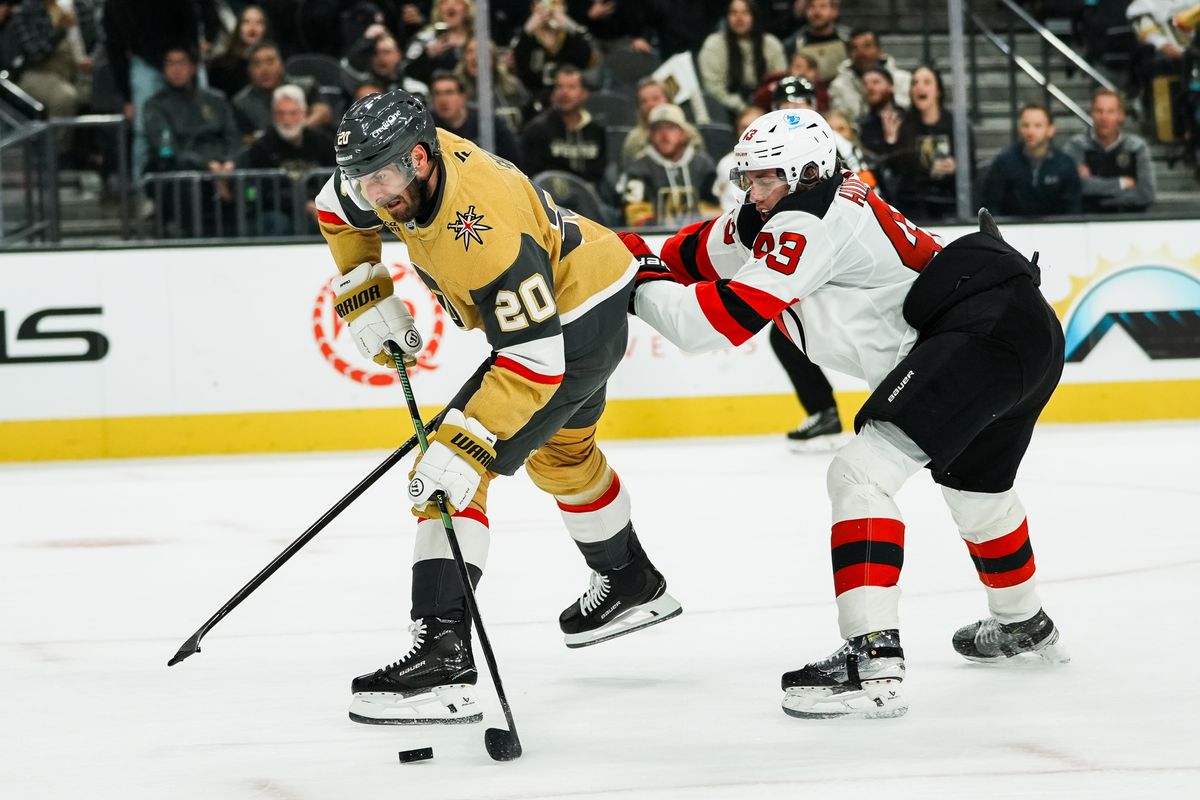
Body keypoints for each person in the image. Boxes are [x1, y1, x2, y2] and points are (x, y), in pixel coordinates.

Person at [624, 108, 1067, 720]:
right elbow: (692, 251)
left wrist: (635, 283)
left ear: (808, 172)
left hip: (978, 337)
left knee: (859, 475)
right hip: (1022, 329)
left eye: (766, 178)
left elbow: (711, 326)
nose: (753, 193)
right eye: (748, 178)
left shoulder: (808, 219)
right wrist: (632, 255)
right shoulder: (787, 206)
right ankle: (1023, 621)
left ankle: (871, 656)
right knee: (976, 488)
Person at [312, 88, 682, 724]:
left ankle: (443, 657)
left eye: (385, 179)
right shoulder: (387, 175)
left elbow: (535, 362)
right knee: (563, 457)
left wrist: (464, 444)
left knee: (450, 475)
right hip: (592, 282)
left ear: (421, 158)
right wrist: (366, 290)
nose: (375, 195)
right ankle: (630, 581)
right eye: (363, 181)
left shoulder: (483, 231)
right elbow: (333, 207)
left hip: (572, 327)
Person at [237, 84, 337, 235]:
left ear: (304, 114)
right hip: (275, 210)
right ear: (273, 116)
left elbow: (333, 180)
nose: (287, 120)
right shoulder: (262, 146)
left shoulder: (322, 142)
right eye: (281, 114)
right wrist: (303, 203)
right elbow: (265, 192)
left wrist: (317, 203)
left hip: (317, 206)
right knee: (279, 222)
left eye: (293, 113)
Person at [618, 103, 719, 227]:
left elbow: (716, 208)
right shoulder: (638, 169)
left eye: (671, 128)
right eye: (657, 129)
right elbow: (635, 215)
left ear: (684, 134)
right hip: (655, 237)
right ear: (650, 135)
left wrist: (694, 222)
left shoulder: (703, 165)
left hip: (698, 234)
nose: (664, 135)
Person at [891, 64, 970, 221]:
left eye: (926, 82)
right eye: (915, 83)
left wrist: (957, 167)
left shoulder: (956, 125)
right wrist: (892, 141)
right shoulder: (904, 125)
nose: (919, 87)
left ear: (938, 91)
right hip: (913, 206)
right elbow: (897, 170)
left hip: (950, 203)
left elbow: (971, 167)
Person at [1062, 88, 1157, 213]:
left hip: (1128, 220)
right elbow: (1072, 187)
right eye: (1099, 111)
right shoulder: (1076, 145)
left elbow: (1146, 194)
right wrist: (1121, 183)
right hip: (1088, 220)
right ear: (1091, 113)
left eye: (1110, 112)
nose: (1104, 117)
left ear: (1121, 116)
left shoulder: (1137, 147)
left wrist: (1097, 198)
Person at [982, 103, 1082, 217]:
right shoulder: (1004, 162)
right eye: (1025, 125)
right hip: (1011, 226)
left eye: (1037, 126)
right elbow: (991, 206)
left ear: (1051, 130)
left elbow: (1073, 210)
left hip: (1056, 226)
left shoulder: (1065, 164)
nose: (1030, 131)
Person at [519, 64, 607, 184]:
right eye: (559, 87)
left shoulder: (597, 131)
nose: (564, 93)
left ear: (584, 93)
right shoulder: (536, 130)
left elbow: (600, 175)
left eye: (571, 87)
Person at [698, 0, 787, 116]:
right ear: (726, 17)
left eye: (745, 12)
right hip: (727, 110)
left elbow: (779, 81)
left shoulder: (771, 44)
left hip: (768, 108)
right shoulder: (714, 45)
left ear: (754, 16)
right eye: (733, 13)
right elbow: (713, 88)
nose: (739, 18)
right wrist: (743, 108)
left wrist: (761, 109)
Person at [511, 0, 598, 115]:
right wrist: (527, 29)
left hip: (572, 100)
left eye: (556, 3)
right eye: (544, 4)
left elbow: (587, 58)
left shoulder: (571, 36)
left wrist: (569, 24)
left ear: (564, 7)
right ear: (533, 8)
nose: (550, 10)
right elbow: (516, 64)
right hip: (534, 99)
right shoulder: (526, 37)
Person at [233, 42, 332, 140]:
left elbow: (323, 113)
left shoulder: (306, 86)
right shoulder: (241, 103)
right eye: (257, 64)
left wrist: (296, 131)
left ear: (281, 64)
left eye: (270, 62)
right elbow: (245, 139)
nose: (265, 70)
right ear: (249, 70)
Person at [428, 70, 522, 165]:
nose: (443, 100)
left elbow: (514, 161)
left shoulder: (488, 122)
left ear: (463, 97)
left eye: (449, 93)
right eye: (437, 93)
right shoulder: (428, 126)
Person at [621, 77, 705, 169]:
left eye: (655, 99)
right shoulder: (634, 139)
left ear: (668, 100)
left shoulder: (689, 132)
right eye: (644, 102)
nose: (650, 105)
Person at [828, 27, 911, 120]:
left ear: (880, 50)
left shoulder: (904, 80)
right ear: (849, 54)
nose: (861, 53)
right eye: (855, 48)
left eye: (867, 46)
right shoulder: (838, 86)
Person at [206, 3, 271, 100]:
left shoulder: (273, 64)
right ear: (238, 27)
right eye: (246, 22)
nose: (252, 27)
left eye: (259, 23)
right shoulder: (220, 65)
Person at [404, 0, 473, 85]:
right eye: (445, 3)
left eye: (457, 2)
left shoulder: (478, 38)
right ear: (438, 9)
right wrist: (427, 55)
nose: (451, 7)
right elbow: (407, 72)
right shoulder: (424, 38)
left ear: (466, 9)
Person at [785, 0, 848, 83]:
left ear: (834, 11)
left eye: (823, 6)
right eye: (812, 6)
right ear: (805, 11)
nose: (817, 12)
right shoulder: (793, 44)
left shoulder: (848, 40)